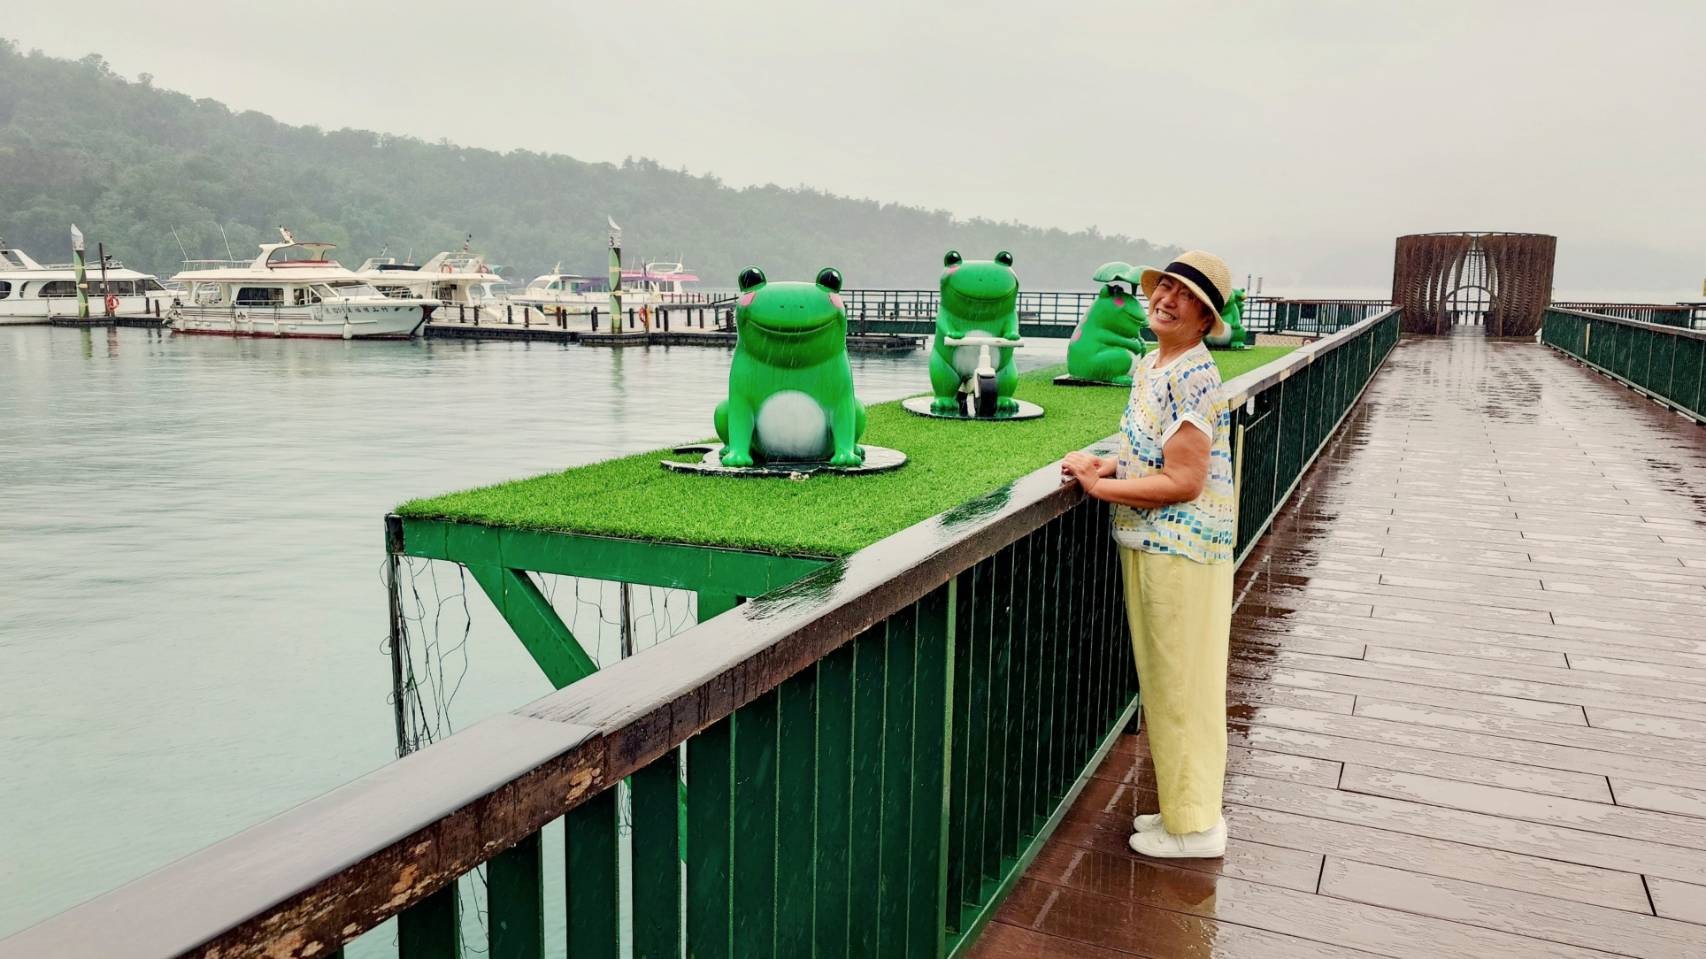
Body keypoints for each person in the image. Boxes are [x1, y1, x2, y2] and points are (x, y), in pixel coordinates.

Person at [1061, 250, 1237, 859]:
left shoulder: (1193, 374)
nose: (1165, 299)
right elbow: (1152, 453)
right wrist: (1103, 463)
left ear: (1205, 316)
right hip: (1150, 540)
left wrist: (1100, 488)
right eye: (1164, 287)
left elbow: (1184, 480)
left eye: (1184, 296)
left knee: (1182, 684)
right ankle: (1184, 811)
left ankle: (1196, 828)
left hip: (1181, 546)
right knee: (1166, 682)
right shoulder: (1153, 363)